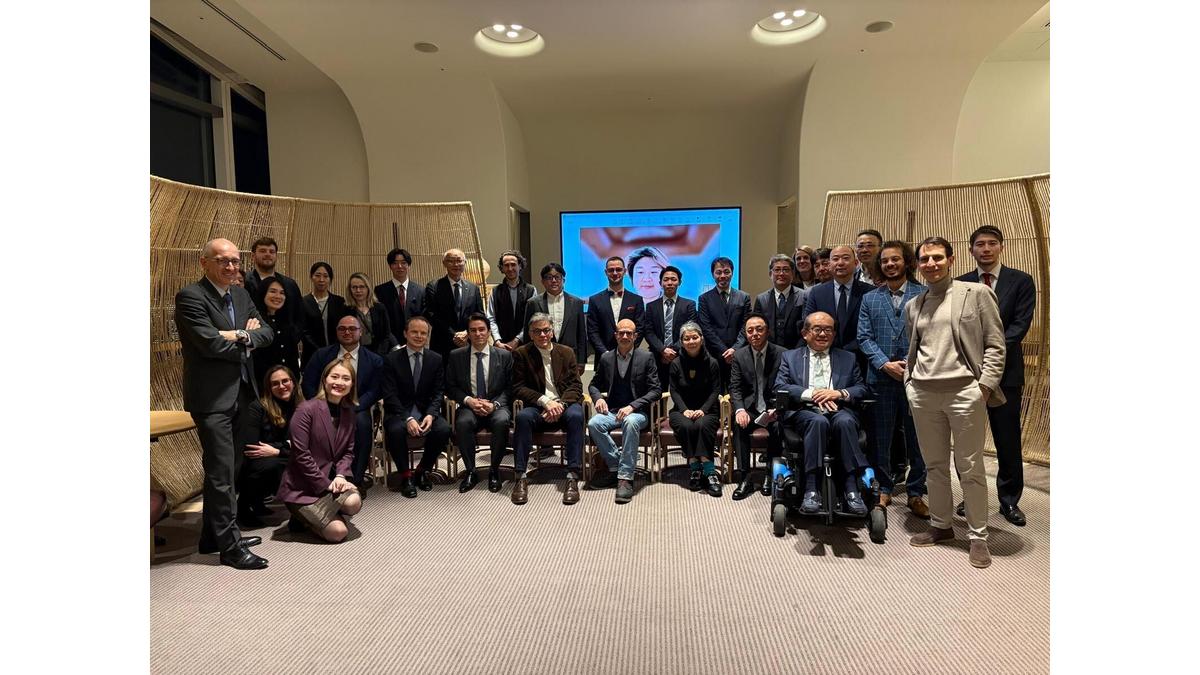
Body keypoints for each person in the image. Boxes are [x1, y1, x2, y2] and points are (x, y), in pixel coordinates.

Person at [905, 236, 1006, 569]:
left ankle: (978, 536)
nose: (930, 264)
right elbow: (917, 349)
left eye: (937, 258)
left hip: (965, 392)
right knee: (934, 464)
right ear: (917, 265)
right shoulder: (915, 305)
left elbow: (995, 344)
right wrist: (909, 382)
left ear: (950, 260)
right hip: (923, 393)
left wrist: (984, 387)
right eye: (924, 259)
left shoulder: (975, 294)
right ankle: (941, 525)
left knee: (970, 467)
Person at [174, 238, 272, 570]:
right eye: (222, 261)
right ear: (204, 263)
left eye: (234, 261)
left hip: (243, 393)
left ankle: (211, 537)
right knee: (220, 472)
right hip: (212, 398)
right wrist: (242, 337)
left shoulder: (242, 294)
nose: (231, 267)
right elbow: (209, 345)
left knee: (231, 469)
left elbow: (267, 333)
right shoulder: (191, 297)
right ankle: (230, 547)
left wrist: (239, 335)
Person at [955, 225, 1036, 527]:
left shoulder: (1021, 281)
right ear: (971, 250)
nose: (986, 249)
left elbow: (1019, 325)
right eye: (979, 244)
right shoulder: (959, 284)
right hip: (966, 374)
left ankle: (1009, 500)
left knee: (1008, 439)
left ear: (1001, 247)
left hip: (1006, 374)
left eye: (991, 243)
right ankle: (971, 495)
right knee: (967, 441)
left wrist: (990, 352)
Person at [775, 311, 873, 517]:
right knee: (817, 421)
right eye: (817, 329)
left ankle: (851, 489)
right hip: (805, 412)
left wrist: (838, 393)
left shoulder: (848, 358)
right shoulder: (790, 357)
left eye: (828, 330)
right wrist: (814, 395)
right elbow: (781, 386)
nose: (823, 334)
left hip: (839, 409)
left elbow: (861, 389)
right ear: (805, 333)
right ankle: (811, 489)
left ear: (834, 334)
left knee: (846, 421)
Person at [856, 241, 929, 517]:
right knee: (880, 439)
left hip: (917, 379)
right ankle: (883, 488)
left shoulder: (924, 294)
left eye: (895, 260)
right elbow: (864, 337)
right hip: (880, 379)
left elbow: (931, 336)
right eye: (885, 261)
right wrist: (884, 364)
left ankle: (916, 492)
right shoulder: (870, 298)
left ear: (907, 262)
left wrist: (909, 367)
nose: (889, 264)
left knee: (918, 438)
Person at [276, 360, 363, 543]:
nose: (339, 382)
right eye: (335, 376)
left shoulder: (349, 412)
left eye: (346, 378)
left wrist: (341, 476)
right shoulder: (306, 409)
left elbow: (348, 451)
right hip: (302, 488)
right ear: (325, 380)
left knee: (354, 502)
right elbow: (301, 454)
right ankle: (301, 518)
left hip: (331, 481)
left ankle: (326, 511)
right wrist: (325, 484)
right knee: (337, 533)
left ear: (352, 384)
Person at [510, 313, 587, 506]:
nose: (542, 335)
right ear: (530, 333)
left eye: (546, 330)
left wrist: (560, 405)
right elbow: (518, 387)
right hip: (538, 407)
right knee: (522, 418)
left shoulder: (567, 352)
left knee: (577, 415)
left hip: (563, 405)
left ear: (552, 332)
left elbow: (576, 386)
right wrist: (544, 401)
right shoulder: (521, 353)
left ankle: (572, 476)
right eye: (537, 331)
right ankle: (520, 475)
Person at [302, 313, 384, 488]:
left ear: (360, 332)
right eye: (342, 328)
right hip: (324, 406)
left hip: (357, 407)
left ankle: (356, 479)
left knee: (362, 425)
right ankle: (324, 478)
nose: (347, 332)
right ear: (336, 332)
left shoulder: (374, 360)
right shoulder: (321, 355)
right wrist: (321, 405)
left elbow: (375, 390)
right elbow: (308, 383)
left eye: (352, 329)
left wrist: (354, 406)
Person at [587, 318, 661, 504]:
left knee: (630, 421)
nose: (625, 336)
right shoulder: (606, 358)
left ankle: (625, 478)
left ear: (636, 336)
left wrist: (633, 406)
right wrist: (598, 399)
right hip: (613, 411)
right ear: (615, 335)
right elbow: (594, 385)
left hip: (638, 413)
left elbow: (656, 390)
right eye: (621, 333)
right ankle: (616, 466)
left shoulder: (646, 357)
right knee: (594, 423)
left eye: (629, 333)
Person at [381, 316, 452, 498]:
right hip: (399, 412)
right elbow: (389, 395)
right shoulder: (391, 359)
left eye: (423, 333)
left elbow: (438, 392)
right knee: (396, 431)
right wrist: (408, 418)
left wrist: (430, 414)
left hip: (425, 411)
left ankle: (421, 471)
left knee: (443, 429)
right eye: (414, 332)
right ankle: (406, 476)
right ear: (405, 333)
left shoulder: (436, 359)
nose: (419, 336)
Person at [446, 313, 513, 493]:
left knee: (501, 421)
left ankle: (494, 470)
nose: (478, 334)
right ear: (467, 333)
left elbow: (509, 388)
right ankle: (471, 471)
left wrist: (494, 405)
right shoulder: (456, 356)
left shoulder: (504, 356)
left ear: (489, 331)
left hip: (496, 405)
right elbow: (450, 387)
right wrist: (469, 401)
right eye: (473, 330)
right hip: (470, 405)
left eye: (482, 329)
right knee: (463, 422)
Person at [237, 365, 303, 528]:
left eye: (285, 381)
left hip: (284, 455)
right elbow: (252, 445)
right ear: (269, 387)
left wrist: (277, 450)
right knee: (272, 466)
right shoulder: (258, 407)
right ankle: (243, 509)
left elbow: (309, 442)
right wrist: (286, 446)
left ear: (293, 382)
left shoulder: (303, 406)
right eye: (275, 383)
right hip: (260, 460)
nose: (281, 386)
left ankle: (302, 511)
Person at [729, 313, 784, 500]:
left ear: (767, 331)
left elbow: (785, 385)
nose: (755, 334)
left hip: (773, 409)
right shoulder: (739, 355)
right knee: (739, 424)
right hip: (751, 409)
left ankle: (770, 474)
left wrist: (777, 408)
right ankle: (744, 477)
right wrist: (740, 409)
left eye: (759, 329)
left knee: (778, 426)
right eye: (750, 330)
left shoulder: (782, 354)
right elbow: (735, 387)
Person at [667, 321, 722, 497]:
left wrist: (704, 410)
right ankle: (695, 467)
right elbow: (673, 390)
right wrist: (684, 410)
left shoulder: (712, 363)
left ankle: (708, 469)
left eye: (694, 337)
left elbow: (716, 390)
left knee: (701, 425)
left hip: (708, 410)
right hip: (681, 410)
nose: (691, 341)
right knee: (687, 426)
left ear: (701, 339)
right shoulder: (675, 363)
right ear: (681, 342)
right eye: (687, 338)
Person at [802, 245, 875, 366]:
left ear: (856, 263)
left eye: (846, 258)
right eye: (835, 259)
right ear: (830, 264)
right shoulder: (816, 293)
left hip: (862, 360)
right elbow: (809, 325)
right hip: (825, 358)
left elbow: (872, 329)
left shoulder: (870, 292)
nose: (840, 263)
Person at [697, 256, 752, 389]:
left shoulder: (744, 297)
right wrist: (724, 351)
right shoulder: (704, 299)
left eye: (726, 272)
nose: (722, 276)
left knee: (738, 393)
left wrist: (735, 349)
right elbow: (706, 327)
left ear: (732, 273)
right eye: (718, 272)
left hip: (738, 354)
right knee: (715, 394)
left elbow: (746, 325)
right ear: (713, 274)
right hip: (714, 355)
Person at [523, 263, 588, 373]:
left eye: (557, 277)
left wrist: (581, 361)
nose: (553, 281)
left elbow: (581, 333)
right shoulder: (532, 303)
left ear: (563, 280)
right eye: (549, 277)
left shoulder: (576, 302)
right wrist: (528, 358)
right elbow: (527, 333)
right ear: (542, 281)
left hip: (570, 357)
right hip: (541, 357)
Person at [642, 265, 696, 392]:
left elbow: (690, 331)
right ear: (660, 283)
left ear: (679, 282)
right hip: (657, 358)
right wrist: (662, 350)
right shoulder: (651, 306)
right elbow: (648, 332)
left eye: (673, 279)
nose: (670, 282)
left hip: (682, 356)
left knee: (683, 393)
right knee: (657, 394)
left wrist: (672, 351)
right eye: (666, 279)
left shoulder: (689, 305)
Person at [424, 248, 484, 358]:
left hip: (468, 341)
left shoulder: (473, 288)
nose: (455, 264)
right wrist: (454, 334)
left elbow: (479, 314)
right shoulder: (434, 286)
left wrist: (468, 332)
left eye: (459, 260)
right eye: (451, 261)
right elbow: (431, 314)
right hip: (442, 342)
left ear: (465, 263)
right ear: (444, 263)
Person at [587, 256, 645, 368]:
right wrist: (605, 353)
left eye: (618, 269)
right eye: (611, 270)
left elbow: (640, 329)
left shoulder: (636, 300)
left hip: (630, 357)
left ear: (625, 271)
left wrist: (628, 351)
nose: (615, 273)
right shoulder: (595, 300)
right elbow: (592, 331)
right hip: (603, 358)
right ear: (606, 272)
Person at [243, 236, 304, 337]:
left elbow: (299, 316)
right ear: (253, 256)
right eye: (263, 251)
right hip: (255, 344)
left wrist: (293, 337)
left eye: (271, 252)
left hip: (287, 346)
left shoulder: (289, 284)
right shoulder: (244, 282)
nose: (268, 254)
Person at [251, 278, 302, 387]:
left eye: (282, 293)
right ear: (263, 293)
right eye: (273, 291)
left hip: (288, 384)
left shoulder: (287, 321)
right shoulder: (255, 321)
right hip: (263, 384)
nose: (278, 296)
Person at [753, 254, 807, 350]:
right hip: (769, 352)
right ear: (770, 274)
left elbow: (807, 327)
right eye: (777, 270)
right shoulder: (761, 299)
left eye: (786, 270)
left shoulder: (804, 296)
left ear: (793, 273)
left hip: (797, 351)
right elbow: (757, 327)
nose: (781, 274)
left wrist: (796, 351)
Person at [486, 249, 537, 352]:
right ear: (502, 268)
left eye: (513, 264)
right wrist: (497, 341)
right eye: (506, 265)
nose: (510, 268)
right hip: (501, 346)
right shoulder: (495, 291)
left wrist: (517, 339)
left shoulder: (531, 290)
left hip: (525, 345)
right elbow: (491, 318)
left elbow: (532, 319)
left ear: (520, 266)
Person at [374, 247, 425, 348]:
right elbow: (381, 321)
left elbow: (422, 319)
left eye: (403, 263)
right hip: (389, 346)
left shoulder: (420, 291)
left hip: (415, 344)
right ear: (390, 266)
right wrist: (395, 344)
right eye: (395, 263)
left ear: (409, 265)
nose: (399, 266)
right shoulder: (380, 290)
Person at [299, 261, 346, 369]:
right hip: (311, 355)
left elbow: (342, 328)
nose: (321, 280)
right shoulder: (303, 302)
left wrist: (332, 350)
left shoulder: (339, 302)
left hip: (337, 354)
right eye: (317, 275)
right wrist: (320, 351)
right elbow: (303, 331)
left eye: (326, 276)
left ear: (330, 279)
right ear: (311, 277)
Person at [346, 272, 394, 357]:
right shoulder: (345, 309)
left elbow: (386, 334)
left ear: (368, 288)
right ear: (350, 290)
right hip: (354, 354)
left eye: (362, 287)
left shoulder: (379, 308)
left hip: (377, 354)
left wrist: (380, 354)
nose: (358, 290)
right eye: (354, 287)